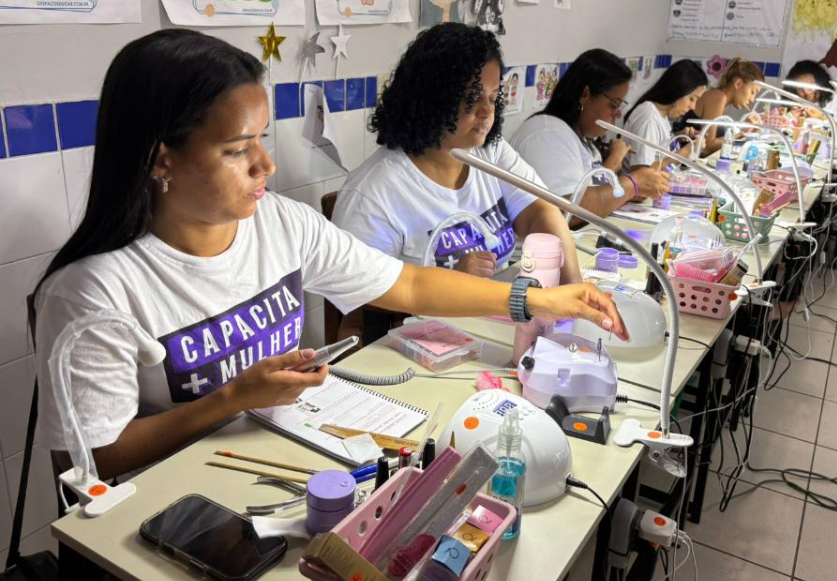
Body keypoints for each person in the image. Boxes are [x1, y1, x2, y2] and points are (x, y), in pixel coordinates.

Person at [32, 29, 627, 481]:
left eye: (262, 139)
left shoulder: (279, 223)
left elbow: (409, 286)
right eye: (238, 149)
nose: (266, 165)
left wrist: (536, 299)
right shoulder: (94, 291)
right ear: (162, 158)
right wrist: (232, 399)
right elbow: (93, 459)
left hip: (291, 456)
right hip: (180, 504)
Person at [333, 24, 581, 284]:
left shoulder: (490, 152)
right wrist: (451, 283)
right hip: (434, 311)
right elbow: (363, 300)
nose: (487, 111)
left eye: (492, 97)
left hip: (498, 305)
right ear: (433, 99)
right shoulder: (373, 193)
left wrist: (574, 288)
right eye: (472, 97)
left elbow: (541, 212)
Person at [510, 49, 670, 219]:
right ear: (585, 95)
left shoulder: (582, 139)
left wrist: (629, 192)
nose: (617, 114)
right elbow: (568, 210)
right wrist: (633, 184)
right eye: (614, 105)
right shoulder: (547, 133)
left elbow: (596, 195)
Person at [621, 59, 708, 168]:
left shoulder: (661, 114)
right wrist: (686, 152)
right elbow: (641, 173)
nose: (693, 107)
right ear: (678, 89)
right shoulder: (648, 118)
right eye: (692, 99)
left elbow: (657, 149)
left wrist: (677, 137)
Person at [676, 57, 764, 156]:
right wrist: (742, 133)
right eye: (752, 92)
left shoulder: (720, 99)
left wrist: (744, 131)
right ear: (738, 83)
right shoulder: (718, 97)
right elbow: (706, 148)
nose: (752, 99)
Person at [783, 60, 837, 129]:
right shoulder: (798, 99)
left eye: (810, 85)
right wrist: (789, 119)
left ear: (821, 82)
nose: (807, 92)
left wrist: (822, 118)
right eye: (800, 88)